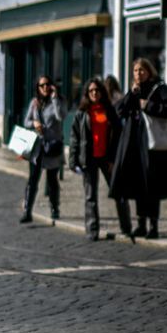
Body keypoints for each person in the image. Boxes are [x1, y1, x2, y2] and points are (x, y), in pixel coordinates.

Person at [110, 58, 167, 239]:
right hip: (135, 144)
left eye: (142, 70)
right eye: (135, 70)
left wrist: (148, 105)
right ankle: (140, 224)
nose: (138, 74)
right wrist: (131, 95)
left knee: (152, 187)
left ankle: (153, 226)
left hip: (153, 147)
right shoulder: (135, 90)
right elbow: (119, 112)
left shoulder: (161, 89)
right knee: (138, 185)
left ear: (149, 71)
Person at [69, 78, 123, 242]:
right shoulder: (81, 113)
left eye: (97, 90)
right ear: (87, 93)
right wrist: (73, 161)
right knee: (90, 196)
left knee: (118, 192)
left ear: (102, 92)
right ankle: (92, 230)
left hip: (107, 159)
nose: (94, 93)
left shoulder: (109, 110)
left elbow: (117, 136)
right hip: (89, 159)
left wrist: (114, 158)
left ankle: (126, 227)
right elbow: (74, 139)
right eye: (91, 91)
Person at [20, 76, 65, 224]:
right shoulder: (34, 103)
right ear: (38, 88)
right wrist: (34, 123)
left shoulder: (57, 101)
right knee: (33, 179)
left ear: (52, 86)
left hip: (52, 146)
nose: (45, 87)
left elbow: (61, 116)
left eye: (47, 85)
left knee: (52, 180)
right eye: (42, 86)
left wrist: (55, 98)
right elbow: (26, 122)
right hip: (37, 147)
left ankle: (54, 209)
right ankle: (27, 211)